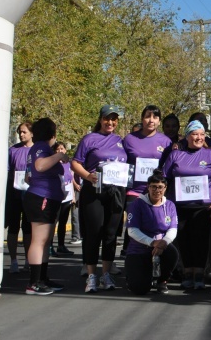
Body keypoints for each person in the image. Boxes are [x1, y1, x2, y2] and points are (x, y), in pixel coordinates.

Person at [70, 104, 128, 293]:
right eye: (106, 118)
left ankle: (106, 274)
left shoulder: (120, 140)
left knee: (111, 235)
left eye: (114, 119)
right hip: (94, 191)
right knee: (93, 234)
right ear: (100, 119)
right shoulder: (89, 139)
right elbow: (75, 163)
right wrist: (88, 176)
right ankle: (91, 276)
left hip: (115, 192)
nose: (110, 122)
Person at [162, 120, 211, 289]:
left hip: (203, 207)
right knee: (184, 240)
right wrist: (165, 202)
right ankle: (187, 273)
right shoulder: (176, 155)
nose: (199, 137)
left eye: (202, 134)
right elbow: (164, 178)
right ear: (187, 136)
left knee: (201, 241)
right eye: (195, 134)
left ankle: (200, 274)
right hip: (180, 206)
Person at [23, 118, 70, 295]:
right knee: (39, 240)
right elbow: (40, 166)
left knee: (45, 241)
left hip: (48, 197)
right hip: (41, 197)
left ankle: (42, 278)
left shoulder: (39, 148)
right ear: (51, 133)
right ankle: (33, 282)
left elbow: (30, 174)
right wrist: (59, 156)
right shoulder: (41, 147)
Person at [122, 104, 172, 256]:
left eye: (155, 117)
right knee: (135, 229)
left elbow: (169, 166)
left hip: (156, 193)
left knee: (154, 228)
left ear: (159, 121)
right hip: (134, 191)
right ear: (142, 119)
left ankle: (152, 265)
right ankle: (131, 262)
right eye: (147, 116)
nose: (151, 120)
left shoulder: (166, 142)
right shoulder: (129, 139)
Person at [125, 170, 179, 295]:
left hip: (161, 246)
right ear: (148, 187)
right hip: (140, 248)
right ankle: (136, 276)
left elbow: (173, 229)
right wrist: (153, 242)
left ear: (165, 188)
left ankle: (162, 280)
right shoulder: (137, 204)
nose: (157, 190)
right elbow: (132, 231)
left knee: (172, 253)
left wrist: (163, 242)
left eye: (160, 187)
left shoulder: (170, 205)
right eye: (153, 187)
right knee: (140, 289)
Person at [6, 122, 33, 274]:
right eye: (20, 132)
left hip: (30, 194)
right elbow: (8, 171)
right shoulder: (13, 150)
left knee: (28, 229)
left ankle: (29, 259)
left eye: (24, 132)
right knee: (13, 227)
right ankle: (14, 260)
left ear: (31, 133)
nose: (22, 134)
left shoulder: (37, 150)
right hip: (15, 194)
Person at [51, 142, 75, 256]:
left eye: (62, 148)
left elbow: (71, 179)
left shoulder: (68, 164)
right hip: (56, 196)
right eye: (57, 149)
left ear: (65, 150)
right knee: (54, 222)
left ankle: (61, 245)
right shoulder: (53, 164)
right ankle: (49, 246)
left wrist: (73, 196)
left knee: (63, 222)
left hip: (67, 196)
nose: (60, 150)